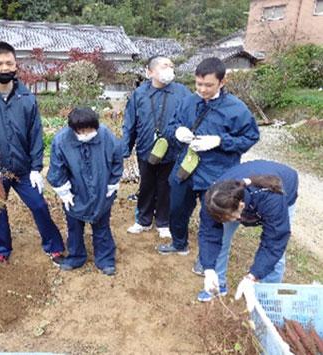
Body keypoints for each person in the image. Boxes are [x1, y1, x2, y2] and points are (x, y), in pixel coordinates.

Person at [0, 41, 65, 263]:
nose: (4, 68)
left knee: (39, 205)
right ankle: (0, 250)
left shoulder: (26, 97)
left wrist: (37, 168)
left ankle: (54, 246)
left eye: (8, 63)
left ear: (15, 65)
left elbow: (35, 134)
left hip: (23, 168)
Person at [157, 57, 260, 263]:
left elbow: (251, 137)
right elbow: (169, 127)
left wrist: (221, 141)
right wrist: (177, 132)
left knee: (211, 217)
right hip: (185, 168)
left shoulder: (236, 109)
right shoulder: (187, 102)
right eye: (199, 84)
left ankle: (207, 261)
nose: (202, 89)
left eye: (208, 85)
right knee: (177, 208)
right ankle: (179, 243)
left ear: (222, 82)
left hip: (218, 172)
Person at [198, 160, 298, 306]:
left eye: (231, 218)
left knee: (277, 256)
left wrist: (253, 276)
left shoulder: (271, 199)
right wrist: (208, 269)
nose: (231, 221)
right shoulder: (213, 199)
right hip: (234, 202)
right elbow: (208, 233)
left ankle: (266, 299)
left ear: (241, 206)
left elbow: (274, 241)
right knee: (222, 239)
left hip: (283, 187)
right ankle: (217, 286)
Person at [47, 108, 123, 276]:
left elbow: (117, 157)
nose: (87, 133)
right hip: (75, 193)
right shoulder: (61, 141)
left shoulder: (106, 136)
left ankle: (105, 259)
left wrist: (113, 182)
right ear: (73, 129)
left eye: (90, 129)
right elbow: (56, 168)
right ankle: (76, 256)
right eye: (82, 130)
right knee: (74, 227)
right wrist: (64, 191)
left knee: (102, 226)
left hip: (102, 190)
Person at [123, 56, 191, 238]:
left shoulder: (183, 92)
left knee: (167, 185)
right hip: (146, 148)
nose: (169, 69)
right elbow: (130, 122)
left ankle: (163, 222)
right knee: (146, 185)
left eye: (171, 66)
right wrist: (125, 148)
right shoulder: (139, 94)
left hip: (173, 149)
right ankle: (143, 220)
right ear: (150, 71)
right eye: (164, 66)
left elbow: (191, 117)